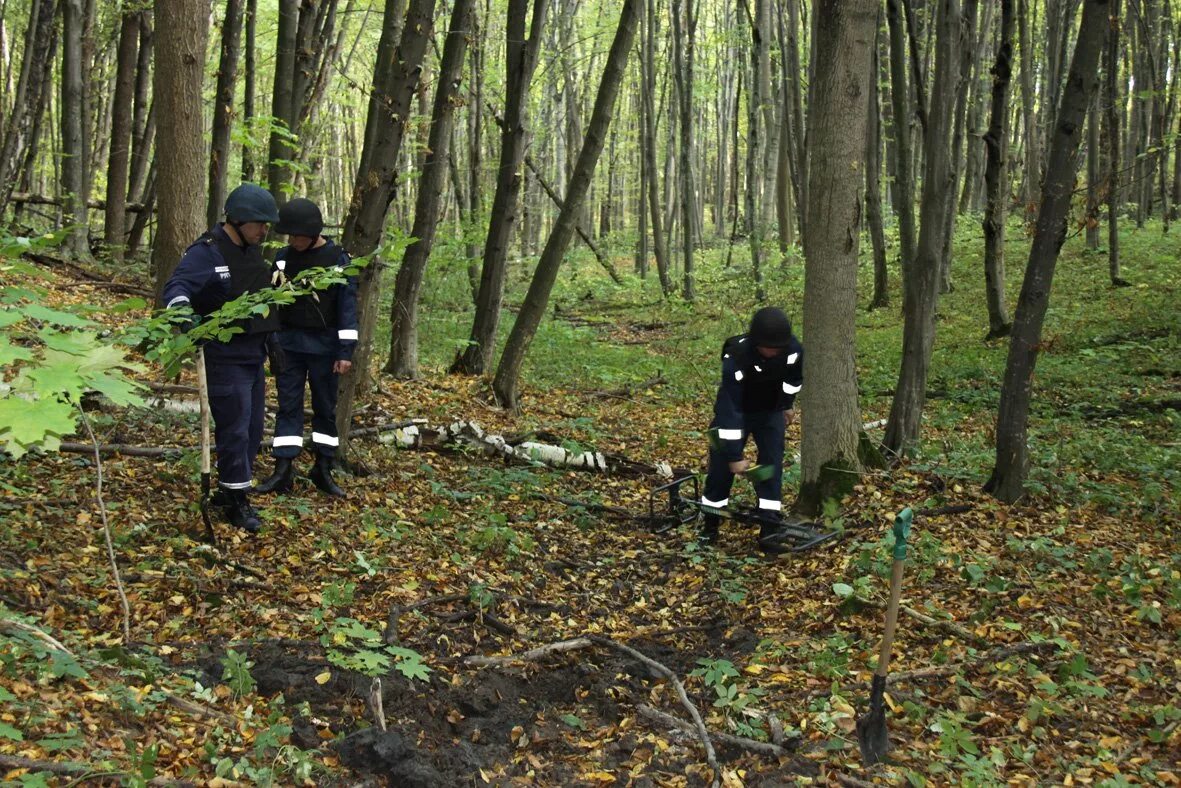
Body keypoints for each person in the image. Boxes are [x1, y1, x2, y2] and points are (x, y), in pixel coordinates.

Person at [163, 184, 281, 534]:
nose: (265, 231)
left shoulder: (250, 252)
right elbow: (176, 287)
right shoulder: (208, 253)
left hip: (252, 356)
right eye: (260, 224)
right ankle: (235, 502)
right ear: (239, 220)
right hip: (224, 358)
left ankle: (233, 487)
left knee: (254, 429)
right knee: (236, 429)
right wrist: (183, 314)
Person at [255, 198, 358, 498]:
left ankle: (323, 467)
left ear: (313, 232)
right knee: (288, 407)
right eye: (289, 235)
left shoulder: (337, 259)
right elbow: (270, 301)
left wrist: (345, 351)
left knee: (325, 409)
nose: (293, 241)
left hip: (325, 347)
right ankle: (283, 468)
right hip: (289, 346)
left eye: (298, 236)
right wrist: (270, 340)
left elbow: (347, 307)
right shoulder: (283, 258)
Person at [700, 306, 804, 554]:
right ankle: (710, 524)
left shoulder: (793, 350)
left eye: (778, 347)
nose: (775, 352)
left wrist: (786, 405)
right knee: (719, 468)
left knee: (771, 465)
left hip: (769, 413)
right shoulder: (735, 358)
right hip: (732, 414)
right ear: (757, 342)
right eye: (770, 347)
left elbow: (793, 380)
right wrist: (735, 456)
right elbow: (729, 411)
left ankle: (769, 527)